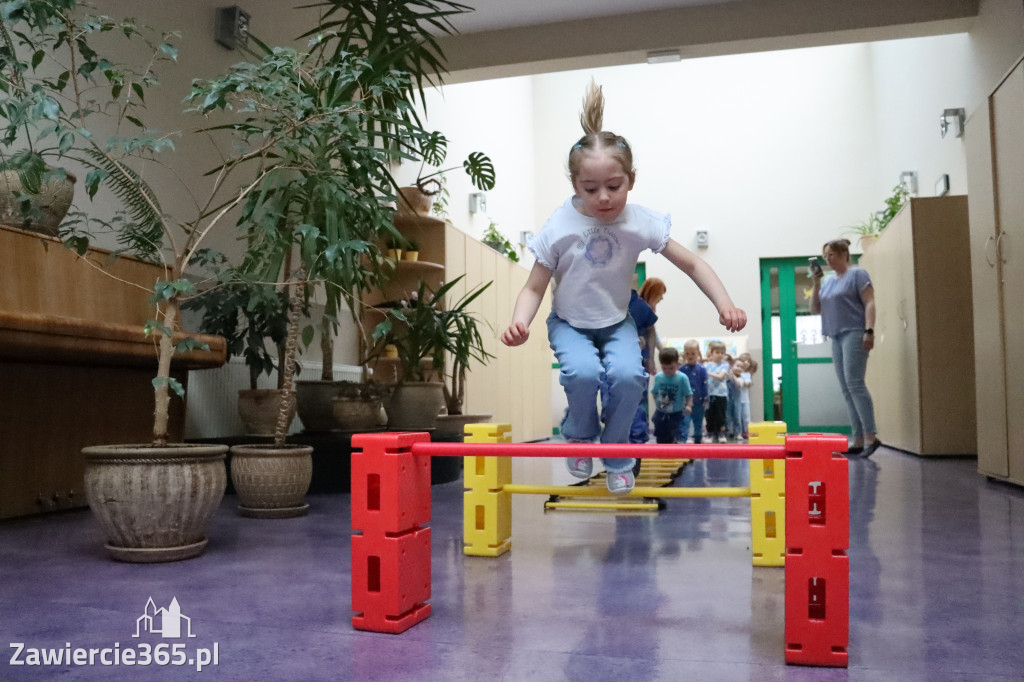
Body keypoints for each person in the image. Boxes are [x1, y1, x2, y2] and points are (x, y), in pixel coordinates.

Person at [501, 80, 746, 494]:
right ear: (573, 184)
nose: (603, 198)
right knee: (582, 373)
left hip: (617, 321)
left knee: (631, 377)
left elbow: (692, 262)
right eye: (589, 189)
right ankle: (578, 437)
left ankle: (616, 454)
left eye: (614, 187)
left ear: (631, 179)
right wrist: (518, 322)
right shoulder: (560, 225)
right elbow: (534, 287)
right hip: (570, 322)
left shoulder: (641, 221)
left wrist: (725, 303)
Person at [811, 238, 881, 456]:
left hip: (855, 331)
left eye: (830, 255)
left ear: (843, 253)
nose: (827, 259)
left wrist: (869, 330)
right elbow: (815, 309)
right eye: (825, 257)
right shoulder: (830, 282)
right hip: (836, 335)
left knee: (855, 383)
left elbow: (869, 301)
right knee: (846, 388)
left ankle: (871, 436)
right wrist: (816, 283)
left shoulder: (858, 274)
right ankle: (858, 439)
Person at [651, 347, 692, 444]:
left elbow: (688, 394)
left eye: (671, 368)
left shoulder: (682, 378)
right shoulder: (659, 377)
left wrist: (689, 406)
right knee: (660, 432)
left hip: (676, 413)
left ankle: (678, 447)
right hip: (661, 412)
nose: (668, 371)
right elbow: (654, 392)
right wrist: (658, 403)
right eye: (664, 368)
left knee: (677, 432)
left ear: (677, 364)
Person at [678, 340, 708, 444]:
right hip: (686, 402)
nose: (690, 356)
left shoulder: (702, 369)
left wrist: (706, 398)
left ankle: (699, 436)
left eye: (693, 353)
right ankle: (688, 436)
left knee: (698, 420)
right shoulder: (681, 369)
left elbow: (704, 384)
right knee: (686, 420)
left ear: (698, 353)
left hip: (699, 400)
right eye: (687, 353)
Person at [703, 341, 731, 443]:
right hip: (709, 394)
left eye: (722, 353)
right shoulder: (706, 365)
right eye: (717, 352)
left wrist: (708, 373)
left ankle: (721, 433)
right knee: (709, 415)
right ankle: (709, 433)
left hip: (721, 394)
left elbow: (720, 376)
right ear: (711, 353)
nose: (720, 355)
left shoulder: (725, 365)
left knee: (720, 415)